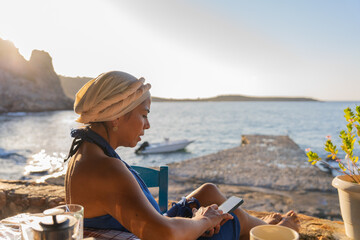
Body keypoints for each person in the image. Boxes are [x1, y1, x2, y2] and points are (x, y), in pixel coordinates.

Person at [65, 71, 300, 240]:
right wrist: (203, 221)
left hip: (150, 224)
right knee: (229, 218)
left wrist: (198, 218)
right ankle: (271, 232)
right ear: (116, 116)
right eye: (144, 115)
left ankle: (262, 227)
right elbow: (162, 233)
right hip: (160, 232)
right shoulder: (105, 168)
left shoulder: (86, 153)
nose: (147, 125)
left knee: (208, 191)